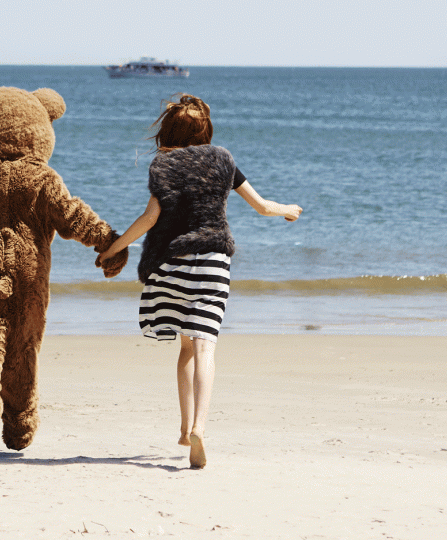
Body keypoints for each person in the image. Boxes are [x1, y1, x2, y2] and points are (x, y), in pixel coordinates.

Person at [98, 94, 301, 469]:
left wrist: (113, 249)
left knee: (185, 347)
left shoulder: (163, 165)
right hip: (212, 260)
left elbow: (149, 219)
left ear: (167, 132)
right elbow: (260, 205)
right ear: (205, 131)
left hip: (172, 263)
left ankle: (181, 424)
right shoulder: (223, 161)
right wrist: (288, 210)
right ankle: (199, 428)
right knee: (206, 346)